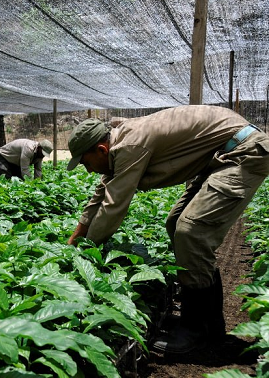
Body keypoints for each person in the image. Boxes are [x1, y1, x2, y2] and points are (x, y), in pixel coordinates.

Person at [65, 105, 269, 353]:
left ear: (101, 149)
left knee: (190, 232)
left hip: (242, 152)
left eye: (85, 163)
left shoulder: (129, 146)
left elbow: (112, 207)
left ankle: (195, 329)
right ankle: (210, 325)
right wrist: (74, 242)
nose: (88, 170)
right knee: (175, 224)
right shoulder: (117, 145)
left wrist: (89, 252)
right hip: (220, 154)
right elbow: (101, 194)